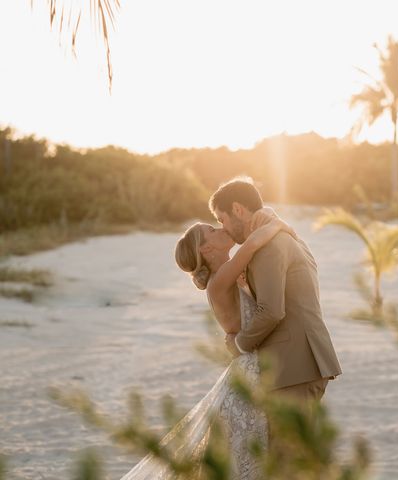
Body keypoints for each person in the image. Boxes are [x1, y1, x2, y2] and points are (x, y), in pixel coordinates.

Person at [121, 208, 294, 480]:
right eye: (211, 231)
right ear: (206, 249)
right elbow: (254, 243)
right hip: (249, 373)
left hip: (251, 368)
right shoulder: (221, 279)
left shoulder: (227, 275)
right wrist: (277, 222)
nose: (219, 228)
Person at [210, 177, 342, 402]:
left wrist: (239, 344)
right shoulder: (288, 236)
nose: (224, 228)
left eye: (222, 219)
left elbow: (271, 311)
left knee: (285, 439)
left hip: (293, 366)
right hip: (305, 363)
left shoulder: (268, 245)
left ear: (238, 209)